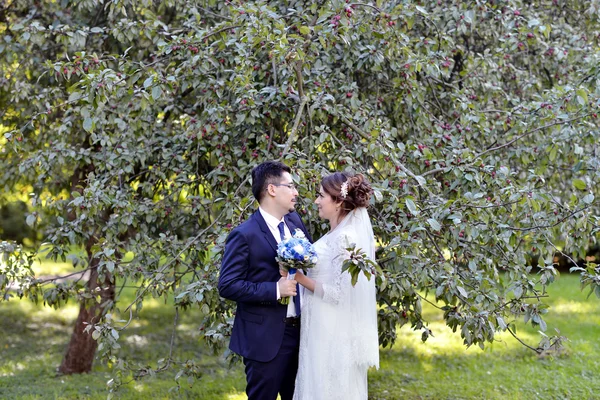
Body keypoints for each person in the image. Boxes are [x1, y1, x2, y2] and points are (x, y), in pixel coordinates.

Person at [218, 161, 311, 400]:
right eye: (290, 186)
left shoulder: (295, 223)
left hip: (302, 334)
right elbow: (228, 284)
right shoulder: (244, 234)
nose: (295, 192)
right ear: (271, 190)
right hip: (265, 339)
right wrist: (275, 290)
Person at [292, 172, 379, 400]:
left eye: (321, 196)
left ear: (338, 201)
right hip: (319, 321)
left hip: (330, 327)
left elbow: (339, 294)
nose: (317, 201)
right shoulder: (336, 233)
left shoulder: (345, 239)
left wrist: (299, 278)